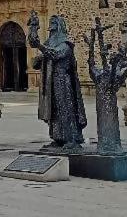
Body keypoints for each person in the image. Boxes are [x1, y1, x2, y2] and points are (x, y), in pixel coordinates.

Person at [27, 10, 87, 151]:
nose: (51, 25)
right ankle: (58, 138)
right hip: (50, 81)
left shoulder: (66, 44)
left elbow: (56, 54)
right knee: (52, 110)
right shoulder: (50, 43)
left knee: (65, 108)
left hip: (62, 81)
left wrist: (41, 47)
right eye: (50, 23)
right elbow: (39, 61)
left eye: (54, 23)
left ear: (60, 26)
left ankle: (71, 139)